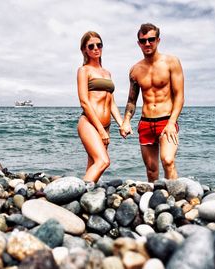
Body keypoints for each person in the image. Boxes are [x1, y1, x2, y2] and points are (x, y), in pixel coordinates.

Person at [120, 23, 184, 182]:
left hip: (166, 121)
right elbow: (131, 101)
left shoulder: (171, 62)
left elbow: (179, 96)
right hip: (146, 123)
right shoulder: (135, 70)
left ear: (158, 40)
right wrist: (126, 121)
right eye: (143, 41)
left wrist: (172, 123)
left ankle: (174, 198)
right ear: (138, 43)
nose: (147, 43)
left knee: (168, 161)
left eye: (151, 39)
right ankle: (156, 202)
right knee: (151, 170)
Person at [77, 31, 123, 183]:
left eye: (99, 45)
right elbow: (84, 101)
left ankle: (84, 202)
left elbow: (112, 103)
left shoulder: (107, 73)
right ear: (85, 50)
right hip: (90, 123)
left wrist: (121, 123)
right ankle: (78, 192)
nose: (96, 48)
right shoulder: (84, 70)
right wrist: (101, 130)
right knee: (103, 161)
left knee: (93, 164)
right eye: (91, 46)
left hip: (106, 125)